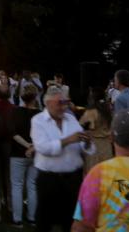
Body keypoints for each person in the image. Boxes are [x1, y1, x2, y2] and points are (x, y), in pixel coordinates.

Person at [30, 85, 94, 232]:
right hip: (49, 179)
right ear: (47, 103)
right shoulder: (38, 120)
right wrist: (67, 140)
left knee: (71, 219)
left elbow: (83, 147)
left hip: (73, 179)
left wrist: (87, 141)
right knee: (44, 220)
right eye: (60, 103)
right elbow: (43, 148)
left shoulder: (71, 119)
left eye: (65, 102)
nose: (63, 107)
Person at [9, 87, 41, 226]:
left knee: (17, 186)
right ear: (35, 97)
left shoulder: (15, 112)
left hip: (17, 153)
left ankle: (17, 219)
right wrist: (32, 146)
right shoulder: (40, 115)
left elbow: (13, 133)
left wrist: (27, 145)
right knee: (32, 185)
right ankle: (32, 217)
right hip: (36, 154)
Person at [78, 95, 114, 172]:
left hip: (94, 145)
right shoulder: (108, 110)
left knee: (93, 174)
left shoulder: (91, 111)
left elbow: (80, 124)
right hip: (107, 145)